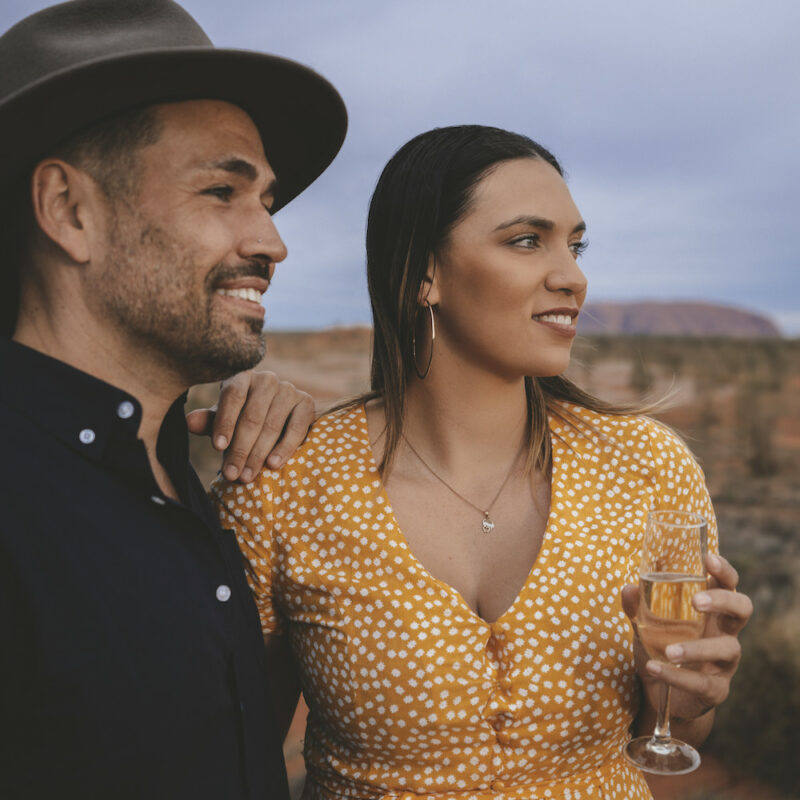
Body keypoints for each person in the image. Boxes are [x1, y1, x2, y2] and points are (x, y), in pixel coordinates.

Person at [214, 125, 753, 799]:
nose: (573, 276)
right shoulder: (287, 478)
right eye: (527, 240)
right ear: (424, 274)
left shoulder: (647, 466)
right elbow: (238, 750)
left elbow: (668, 734)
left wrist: (686, 696)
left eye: (576, 244)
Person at [0, 1, 346, 798]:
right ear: (68, 210)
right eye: (223, 190)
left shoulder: (176, 473)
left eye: (267, 200)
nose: (272, 242)